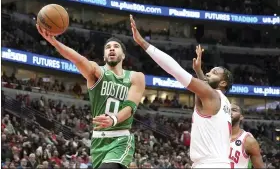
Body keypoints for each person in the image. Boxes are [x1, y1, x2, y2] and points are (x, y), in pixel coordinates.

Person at [36, 25, 145, 169]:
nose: (112, 48)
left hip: (121, 138)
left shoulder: (135, 77)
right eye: (108, 47)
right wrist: (55, 43)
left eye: (116, 46)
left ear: (123, 55)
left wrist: (114, 119)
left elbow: (130, 107)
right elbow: (79, 60)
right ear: (104, 56)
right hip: (98, 141)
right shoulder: (96, 72)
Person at [130, 15, 233, 168]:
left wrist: (143, 43)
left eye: (214, 72)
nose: (208, 73)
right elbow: (205, 90)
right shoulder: (225, 102)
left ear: (223, 82)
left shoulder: (211, 95)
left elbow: (175, 70)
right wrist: (198, 71)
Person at [229, 103, 264, 168]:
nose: (230, 112)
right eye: (227, 110)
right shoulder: (213, 136)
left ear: (241, 117)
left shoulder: (249, 141)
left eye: (234, 110)